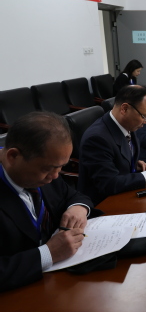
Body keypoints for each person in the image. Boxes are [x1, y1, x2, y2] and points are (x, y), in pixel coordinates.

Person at [0, 112, 94, 291]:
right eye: (49, 169)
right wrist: (47, 254)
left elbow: (74, 195)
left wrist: (78, 208)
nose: (56, 176)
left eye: (61, 167)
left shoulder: (45, 167)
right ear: (13, 157)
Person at [78, 86, 146, 205]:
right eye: (144, 116)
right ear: (124, 109)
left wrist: (133, 163)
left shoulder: (127, 124)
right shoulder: (97, 139)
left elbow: (118, 156)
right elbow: (108, 184)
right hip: (106, 203)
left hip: (125, 193)